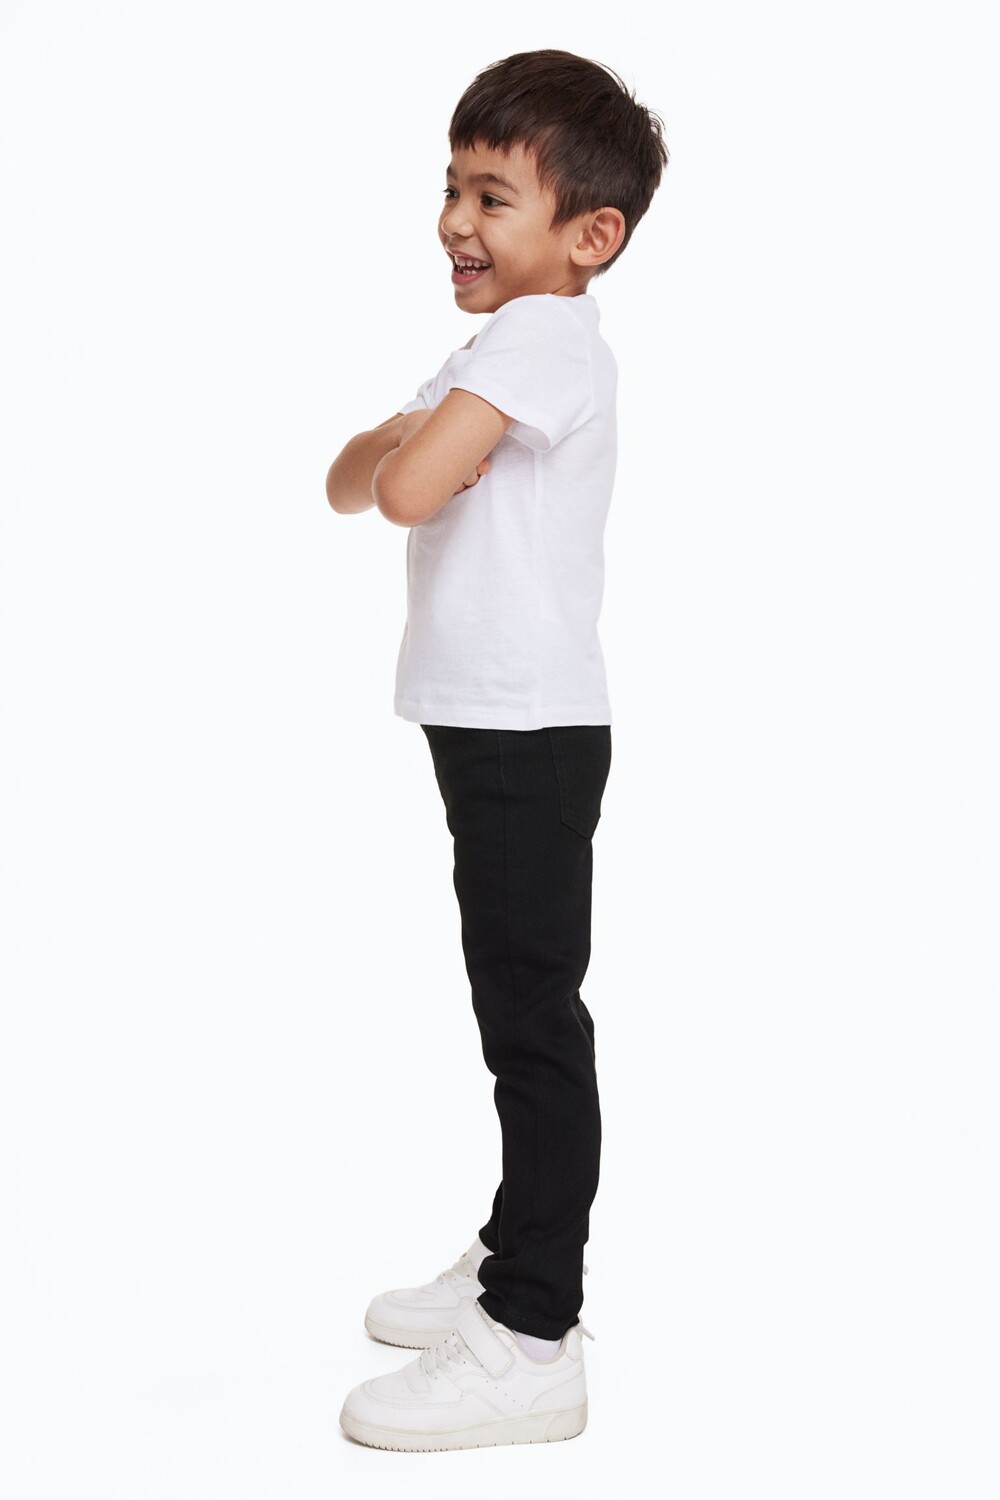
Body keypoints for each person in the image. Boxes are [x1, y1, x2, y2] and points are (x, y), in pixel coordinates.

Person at [325, 48, 668, 1453]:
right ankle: (516, 1245)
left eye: (491, 196)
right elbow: (346, 479)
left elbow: (399, 485)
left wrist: (414, 447)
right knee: (516, 1006)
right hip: (495, 723)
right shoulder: (494, 351)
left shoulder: (542, 341)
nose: (455, 222)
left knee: (532, 1020)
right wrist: (416, 440)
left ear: (591, 235)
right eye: (451, 188)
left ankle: (533, 1331)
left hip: (527, 728)